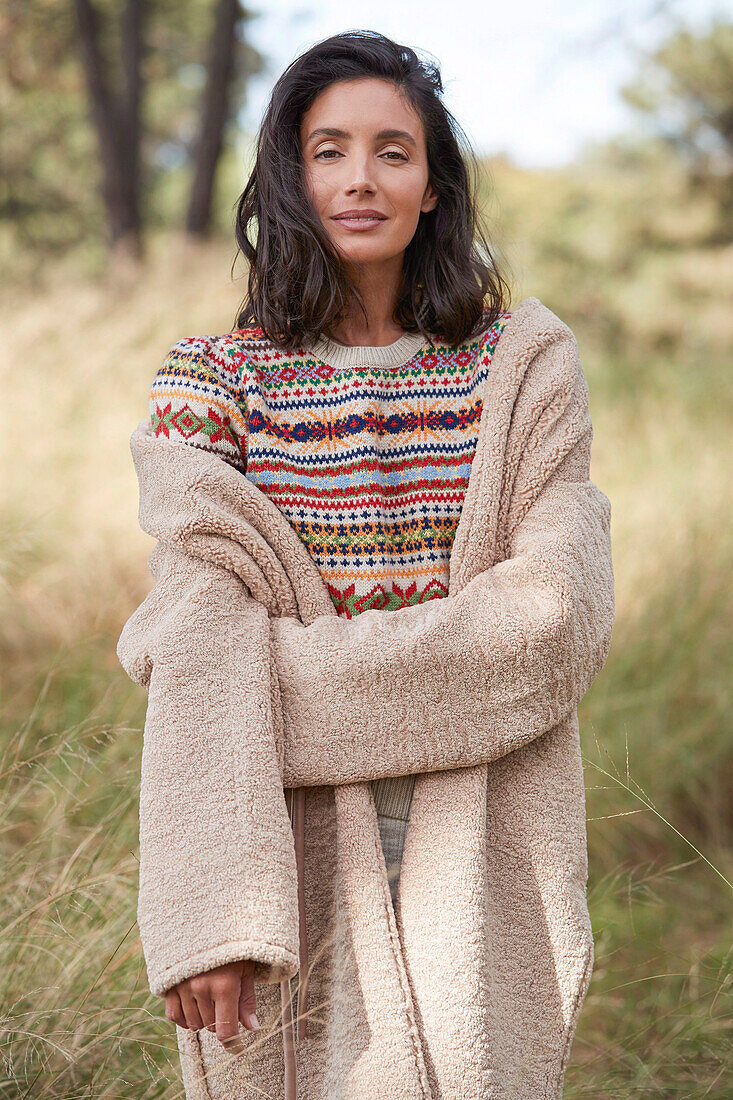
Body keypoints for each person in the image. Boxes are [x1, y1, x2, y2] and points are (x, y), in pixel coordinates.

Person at [130, 28, 611, 1099]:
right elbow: (197, 631)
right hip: (280, 829)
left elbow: (553, 618)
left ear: (433, 184)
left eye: (393, 151)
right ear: (289, 176)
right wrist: (209, 903)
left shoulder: (519, 367)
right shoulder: (210, 383)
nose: (360, 178)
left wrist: (279, 676)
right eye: (328, 148)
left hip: (478, 811)